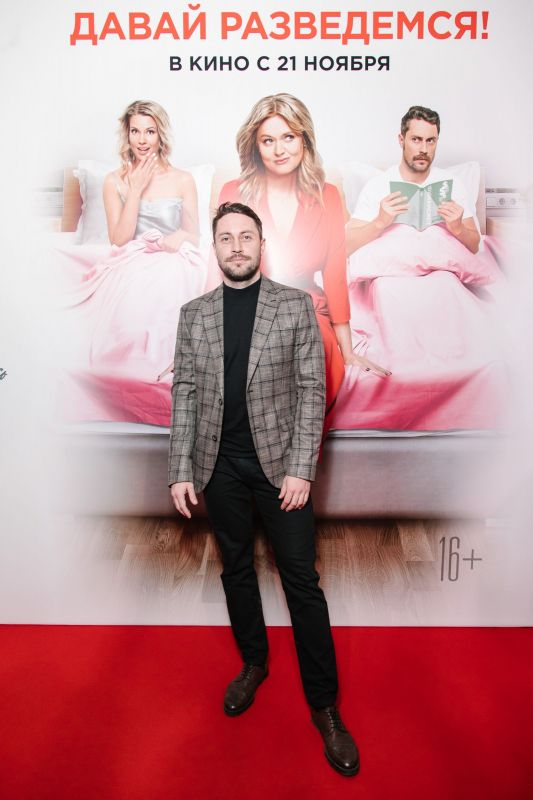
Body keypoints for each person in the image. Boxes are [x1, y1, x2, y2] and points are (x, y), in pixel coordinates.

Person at [168, 202, 360, 777]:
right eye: (225, 237)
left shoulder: (295, 305)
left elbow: (311, 389)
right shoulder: (193, 314)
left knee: (301, 581)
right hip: (218, 466)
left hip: (280, 468)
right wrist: (181, 467)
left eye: (245, 236)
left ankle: (325, 707)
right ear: (215, 248)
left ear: (260, 244)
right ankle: (254, 663)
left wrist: (302, 468)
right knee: (235, 569)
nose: (236, 245)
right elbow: (185, 391)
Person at [215, 93, 389, 432]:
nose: (279, 150)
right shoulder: (233, 192)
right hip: (246, 306)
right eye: (268, 140)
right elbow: (218, 273)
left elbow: (335, 273)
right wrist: (202, 341)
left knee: (309, 357)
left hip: (308, 308)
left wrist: (347, 350)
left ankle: (295, 456)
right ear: (256, 146)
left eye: (289, 137)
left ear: (304, 140)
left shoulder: (328, 195)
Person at [61, 100, 206, 424]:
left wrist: (180, 236)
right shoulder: (114, 180)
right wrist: (136, 190)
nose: (142, 140)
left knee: (170, 303)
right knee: (127, 322)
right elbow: (119, 238)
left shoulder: (183, 179)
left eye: (149, 132)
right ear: (126, 135)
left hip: (173, 259)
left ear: (160, 135)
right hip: (133, 259)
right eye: (135, 131)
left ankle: (167, 378)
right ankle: (126, 384)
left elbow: (195, 235)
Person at [346, 105, 480, 256]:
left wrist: (458, 228)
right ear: (401, 140)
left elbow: (475, 246)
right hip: (393, 266)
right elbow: (347, 246)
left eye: (430, 141)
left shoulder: (452, 184)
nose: (424, 149)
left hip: (443, 266)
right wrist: (380, 222)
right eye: (416, 139)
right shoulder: (377, 186)